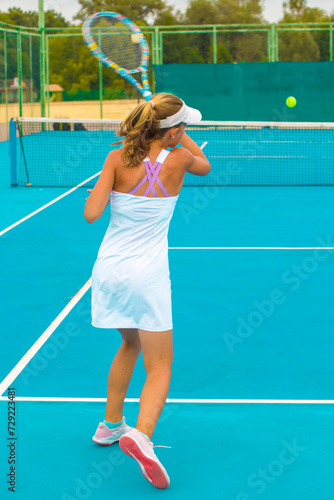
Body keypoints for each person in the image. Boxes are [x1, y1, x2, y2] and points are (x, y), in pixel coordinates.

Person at [84, 93, 210, 489]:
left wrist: (102, 186)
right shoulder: (182, 159)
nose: (187, 132)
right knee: (160, 368)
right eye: (184, 126)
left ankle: (110, 425)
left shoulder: (116, 159)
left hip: (109, 272)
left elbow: (91, 215)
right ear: (173, 131)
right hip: (148, 277)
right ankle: (141, 435)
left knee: (129, 344)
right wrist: (179, 140)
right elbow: (205, 166)